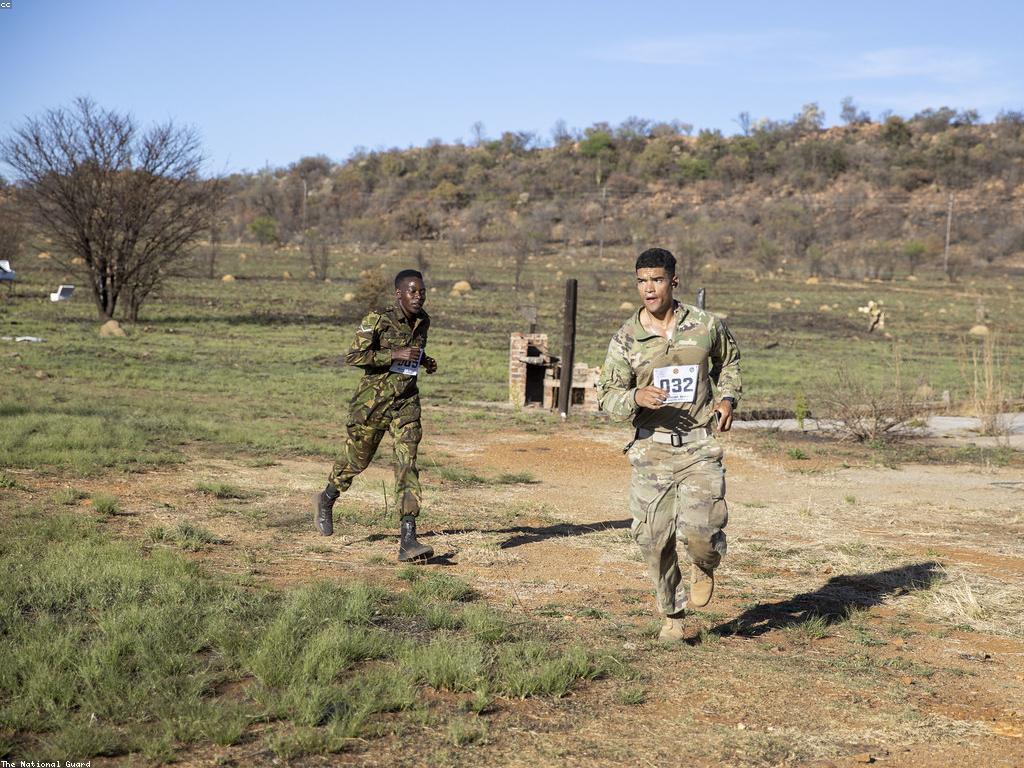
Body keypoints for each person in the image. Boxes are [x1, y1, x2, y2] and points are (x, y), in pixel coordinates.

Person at [598, 248, 742, 642]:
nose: (649, 288)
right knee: (652, 539)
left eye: (657, 280)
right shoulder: (627, 338)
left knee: (703, 533)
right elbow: (606, 396)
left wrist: (727, 398)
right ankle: (672, 616)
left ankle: (704, 563)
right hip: (652, 449)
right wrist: (634, 398)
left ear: (673, 281)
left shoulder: (706, 325)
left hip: (698, 444)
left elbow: (728, 362)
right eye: (642, 281)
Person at [316, 269, 438, 562]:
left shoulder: (424, 322)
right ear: (398, 294)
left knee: (407, 464)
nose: (418, 296)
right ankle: (328, 497)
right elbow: (354, 357)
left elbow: (414, 354)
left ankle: (408, 538)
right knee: (358, 459)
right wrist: (393, 354)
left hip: (406, 403)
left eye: (421, 291)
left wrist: (426, 361)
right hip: (373, 404)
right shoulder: (378, 319)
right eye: (412, 291)